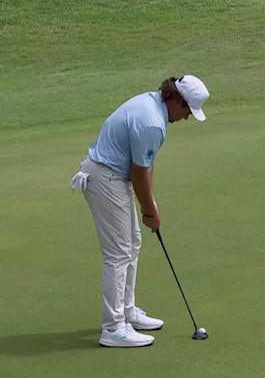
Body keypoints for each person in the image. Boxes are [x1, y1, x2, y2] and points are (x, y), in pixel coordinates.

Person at [68, 75, 210, 347]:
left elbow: (144, 165)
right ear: (177, 100)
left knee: (132, 244)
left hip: (115, 176)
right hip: (105, 178)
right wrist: (149, 211)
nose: (187, 117)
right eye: (188, 111)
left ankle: (127, 311)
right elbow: (140, 171)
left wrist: (150, 205)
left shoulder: (153, 104)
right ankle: (113, 328)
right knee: (119, 254)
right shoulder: (151, 122)